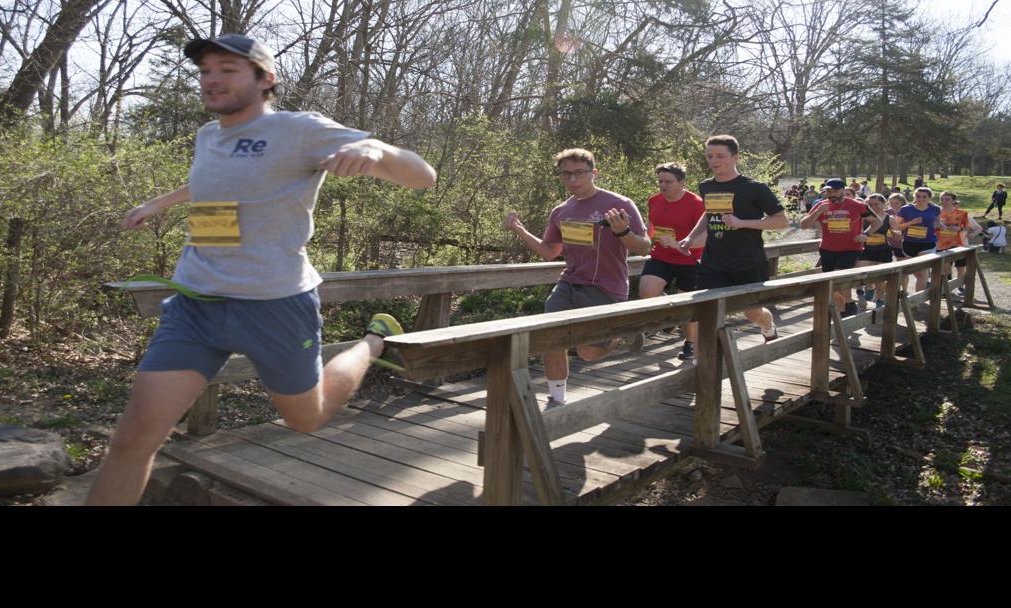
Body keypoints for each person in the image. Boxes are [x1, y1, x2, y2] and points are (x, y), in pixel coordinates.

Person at [88, 33, 436, 505]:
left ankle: (371, 343)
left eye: (227, 70)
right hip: (195, 303)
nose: (211, 80)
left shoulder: (301, 130)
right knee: (131, 440)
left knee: (305, 419)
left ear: (265, 78)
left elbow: (422, 175)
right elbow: (215, 186)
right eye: (206, 70)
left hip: (274, 304)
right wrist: (158, 201)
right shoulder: (208, 135)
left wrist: (379, 154)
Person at [504, 147, 651, 408]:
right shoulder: (561, 211)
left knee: (588, 352)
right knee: (552, 337)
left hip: (607, 287)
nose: (573, 180)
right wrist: (520, 230)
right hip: (569, 283)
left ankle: (624, 331)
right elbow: (550, 252)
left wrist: (623, 232)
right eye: (566, 174)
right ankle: (556, 398)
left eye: (579, 173)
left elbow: (644, 248)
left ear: (593, 173)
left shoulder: (619, 204)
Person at [661, 134, 789, 352]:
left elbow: (781, 221)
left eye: (720, 156)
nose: (714, 161)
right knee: (705, 311)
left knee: (752, 313)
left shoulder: (754, 188)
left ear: (735, 157)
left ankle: (767, 326)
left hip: (748, 261)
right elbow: (708, 214)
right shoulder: (706, 186)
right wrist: (691, 237)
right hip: (713, 262)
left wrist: (742, 223)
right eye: (709, 156)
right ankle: (700, 364)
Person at [638, 162, 706, 361]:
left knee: (687, 306)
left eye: (668, 181)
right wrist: (643, 237)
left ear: (681, 182)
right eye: (660, 181)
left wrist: (680, 245)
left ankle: (690, 343)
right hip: (661, 255)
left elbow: (707, 236)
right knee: (646, 291)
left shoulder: (696, 203)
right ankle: (669, 314)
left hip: (690, 259)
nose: (662, 185)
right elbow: (652, 226)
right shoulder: (654, 200)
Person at [797, 178, 873, 317]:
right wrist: (818, 212)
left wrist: (865, 234)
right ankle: (847, 306)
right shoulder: (821, 205)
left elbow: (877, 222)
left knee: (837, 279)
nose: (831, 194)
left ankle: (844, 310)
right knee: (831, 285)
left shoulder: (857, 205)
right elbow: (803, 225)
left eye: (835, 191)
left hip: (851, 249)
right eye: (829, 191)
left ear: (843, 190)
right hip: (828, 249)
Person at [893, 186, 941, 293]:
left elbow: (937, 222)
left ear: (929, 198)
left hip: (928, 243)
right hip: (910, 243)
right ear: (914, 196)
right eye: (918, 196)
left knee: (922, 273)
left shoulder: (935, 209)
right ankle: (915, 293)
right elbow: (896, 226)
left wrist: (939, 225)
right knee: (915, 271)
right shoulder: (906, 209)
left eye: (924, 197)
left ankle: (917, 301)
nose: (921, 199)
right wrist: (911, 223)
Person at [857, 192, 894, 322]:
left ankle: (880, 299)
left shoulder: (889, 218)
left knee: (880, 277)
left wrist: (896, 234)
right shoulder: (864, 217)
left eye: (876, 204)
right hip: (866, 248)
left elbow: (896, 234)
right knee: (862, 272)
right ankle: (870, 288)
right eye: (870, 204)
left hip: (882, 249)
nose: (873, 207)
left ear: (883, 204)